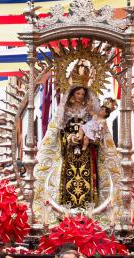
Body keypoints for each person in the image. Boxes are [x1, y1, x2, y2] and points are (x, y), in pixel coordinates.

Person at [33, 61, 123, 214]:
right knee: (67, 180)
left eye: (83, 94)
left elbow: (100, 133)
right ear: (72, 93)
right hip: (68, 155)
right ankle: (65, 212)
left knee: (88, 181)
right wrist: (69, 139)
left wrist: (92, 138)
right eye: (78, 93)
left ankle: (89, 212)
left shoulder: (91, 112)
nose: (80, 96)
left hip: (87, 156)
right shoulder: (63, 112)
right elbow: (55, 135)